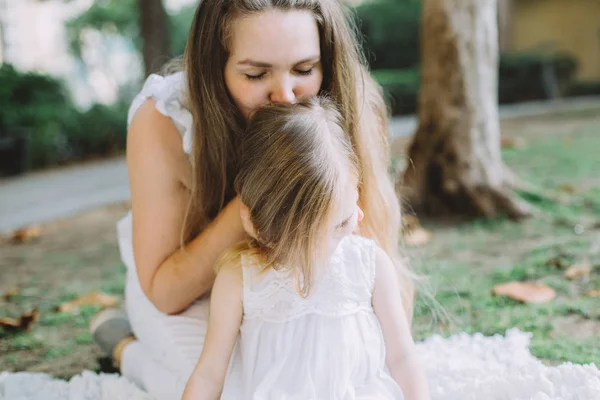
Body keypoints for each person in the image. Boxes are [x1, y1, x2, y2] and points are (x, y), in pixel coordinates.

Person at [90, 1, 415, 398]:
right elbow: (165, 291)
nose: (285, 95)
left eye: (304, 69)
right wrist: (257, 201)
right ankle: (126, 350)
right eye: (256, 74)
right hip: (193, 288)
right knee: (235, 388)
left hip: (305, 274)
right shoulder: (165, 120)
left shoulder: (350, 100)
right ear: (216, 68)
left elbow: (371, 258)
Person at [182, 98, 429, 400]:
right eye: (337, 227)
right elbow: (209, 374)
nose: (357, 221)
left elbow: (402, 357)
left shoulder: (370, 264)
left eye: (345, 217)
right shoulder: (239, 278)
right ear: (257, 226)